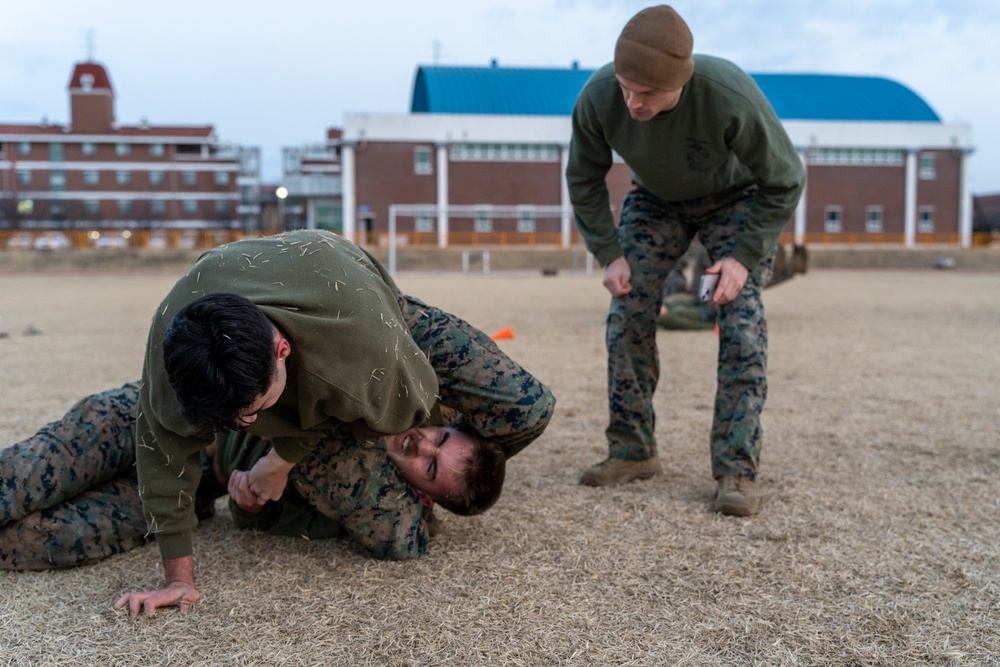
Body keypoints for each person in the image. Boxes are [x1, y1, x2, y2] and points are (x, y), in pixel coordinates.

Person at [115, 229, 555, 615]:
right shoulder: (171, 352)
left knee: (527, 408)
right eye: (237, 419)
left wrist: (280, 459)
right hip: (280, 302)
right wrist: (179, 580)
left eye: (255, 410)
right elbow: (162, 454)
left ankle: (459, 466)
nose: (248, 421)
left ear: (281, 349)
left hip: (365, 311)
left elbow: (346, 425)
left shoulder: (368, 366)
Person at [566, 5, 804, 515]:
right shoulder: (599, 95)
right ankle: (633, 451)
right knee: (627, 311)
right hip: (655, 200)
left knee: (741, 322)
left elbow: (785, 178)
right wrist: (608, 254)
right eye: (627, 86)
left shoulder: (728, 94)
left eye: (648, 93)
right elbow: (584, 178)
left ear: (682, 80)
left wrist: (742, 259)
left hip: (735, 198)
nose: (633, 102)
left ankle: (736, 469)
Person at [0, 382, 502, 571]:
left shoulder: (366, 506)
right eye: (440, 437)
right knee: (30, 475)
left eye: (430, 466)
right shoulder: (386, 394)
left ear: (424, 497)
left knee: (49, 539)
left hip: (195, 487)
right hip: (165, 415)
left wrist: (249, 505)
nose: (423, 443)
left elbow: (258, 522)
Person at [658, 241, 808, 330]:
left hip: (707, 307)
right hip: (708, 307)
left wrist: (664, 311)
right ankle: (783, 268)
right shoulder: (672, 314)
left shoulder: (670, 308)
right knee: (734, 280)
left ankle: (783, 268)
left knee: (718, 278)